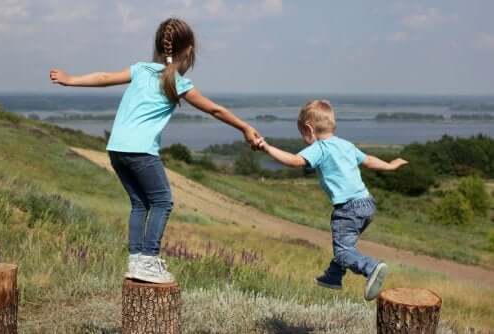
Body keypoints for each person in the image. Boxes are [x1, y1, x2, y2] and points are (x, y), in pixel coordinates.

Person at [50, 17, 261, 284]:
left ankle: (137, 260)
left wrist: (71, 80)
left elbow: (104, 77)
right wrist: (244, 127)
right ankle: (148, 260)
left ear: (159, 46)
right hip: (141, 152)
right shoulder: (179, 83)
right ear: (189, 50)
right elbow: (215, 109)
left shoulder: (140, 69)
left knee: (140, 204)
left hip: (116, 149)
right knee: (162, 202)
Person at [257, 100, 408, 300]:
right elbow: (370, 161)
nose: (303, 138)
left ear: (308, 128)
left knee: (343, 251)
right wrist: (390, 165)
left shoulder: (320, 148)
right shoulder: (346, 145)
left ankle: (371, 268)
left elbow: (293, 161)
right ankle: (333, 276)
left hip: (347, 209)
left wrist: (266, 147)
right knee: (346, 246)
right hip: (367, 204)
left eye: (302, 133)